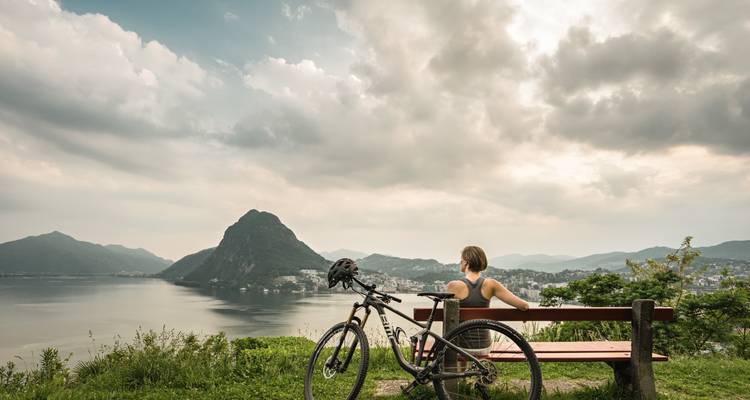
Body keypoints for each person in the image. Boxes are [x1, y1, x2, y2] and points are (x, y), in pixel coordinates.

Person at [445, 245, 529, 356]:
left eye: (461, 259)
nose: (460, 262)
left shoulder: (453, 286)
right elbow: (524, 306)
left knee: (457, 350)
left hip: (461, 347)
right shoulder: (491, 284)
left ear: (466, 263)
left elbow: (447, 315)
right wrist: (524, 315)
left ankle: (461, 371)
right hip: (484, 345)